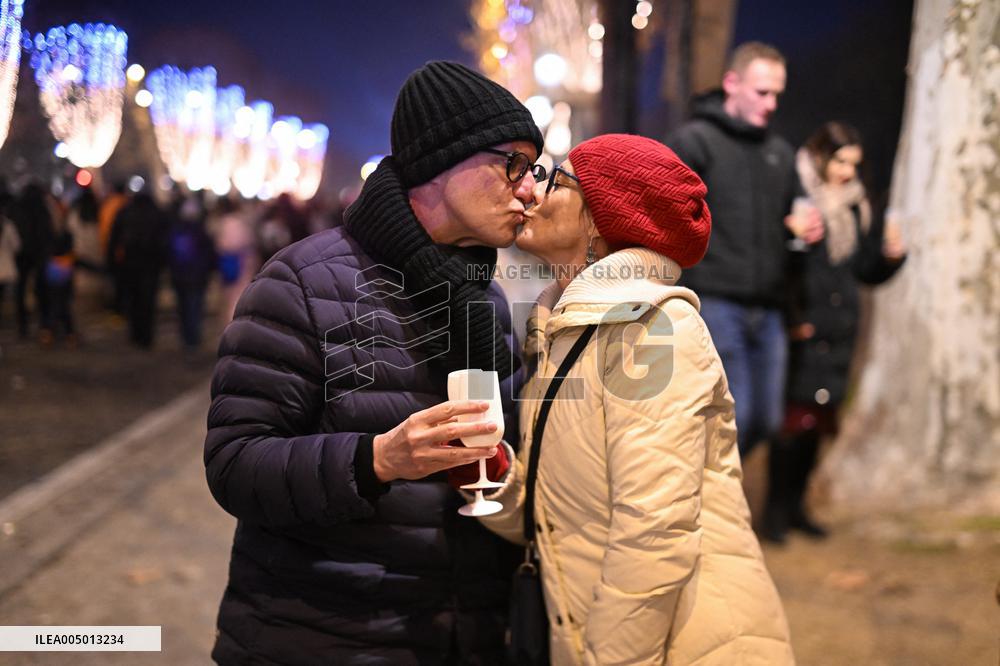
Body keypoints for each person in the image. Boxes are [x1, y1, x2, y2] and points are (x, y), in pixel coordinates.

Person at [204, 61, 545, 664]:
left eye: (535, 170)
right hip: (323, 636)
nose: (529, 190)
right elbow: (235, 465)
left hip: (460, 636)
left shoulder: (483, 298)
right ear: (440, 160)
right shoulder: (302, 281)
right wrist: (378, 459)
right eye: (511, 165)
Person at [477, 134, 793, 664]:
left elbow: (654, 534)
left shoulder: (653, 330)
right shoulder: (567, 327)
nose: (533, 189)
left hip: (689, 646)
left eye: (556, 179)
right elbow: (560, 519)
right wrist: (487, 474)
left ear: (601, 218)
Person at [667, 42, 823, 457]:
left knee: (767, 421)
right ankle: (709, 509)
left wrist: (808, 228)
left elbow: (800, 215)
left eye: (777, 94)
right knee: (735, 415)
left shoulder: (780, 152)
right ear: (732, 83)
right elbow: (666, 215)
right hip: (715, 301)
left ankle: (716, 498)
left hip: (770, 307)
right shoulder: (693, 141)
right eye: (761, 92)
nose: (771, 103)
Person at [763, 122, 906, 543]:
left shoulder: (856, 207)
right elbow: (781, 264)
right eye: (840, 161)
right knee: (789, 425)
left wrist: (892, 257)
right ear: (823, 156)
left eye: (853, 164)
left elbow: (862, 270)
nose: (846, 171)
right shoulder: (796, 192)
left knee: (817, 424)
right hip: (804, 326)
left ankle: (796, 507)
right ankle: (774, 512)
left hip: (839, 327)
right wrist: (793, 316)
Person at [107, 192, 169, 348]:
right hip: (151, 265)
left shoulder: (126, 212)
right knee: (148, 302)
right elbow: (165, 239)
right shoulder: (157, 214)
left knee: (133, 300)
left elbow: (114, 238)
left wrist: (112, 262)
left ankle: (136, 334)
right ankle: (146, 336)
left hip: (130, 264)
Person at [167, 195, 217, 349]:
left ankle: (186, 337)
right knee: (194, 307)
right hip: (196, 277)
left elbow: (168, 254)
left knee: (182, 308)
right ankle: (193, 338)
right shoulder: (201, 232)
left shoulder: (175, 232)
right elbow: (209, 255)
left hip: (179, 277)